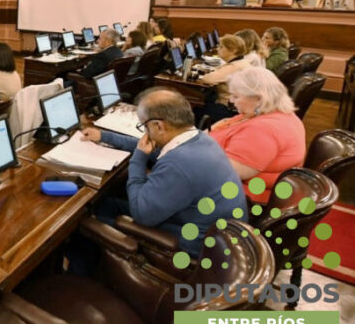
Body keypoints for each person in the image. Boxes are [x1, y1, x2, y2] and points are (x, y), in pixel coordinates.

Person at [80, 88, 247, 254]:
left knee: (88, 220)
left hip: (198, 248)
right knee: (109, 203)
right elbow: (151, 148)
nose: (145, 133)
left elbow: (141, 214)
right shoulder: (199, 139)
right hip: (215, 233)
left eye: (144, 126)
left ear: (159, 126)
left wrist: (138, 159)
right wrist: (104, 137)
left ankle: (89, 268)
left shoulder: (178, 164)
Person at [209, 67, 305, 203]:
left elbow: (230, 171)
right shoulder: (274, 114)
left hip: (238, 196)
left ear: (259, 99)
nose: (231, 100)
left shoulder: (263, 129)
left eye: (236, 96)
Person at [196, 34, 251, 123]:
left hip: (227, 108)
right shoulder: (241, 62)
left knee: (194, 109)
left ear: (233, 50)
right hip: (235, 106)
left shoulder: (235, 66)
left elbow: (208, 79)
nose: (218, 49)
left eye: (221, 47)